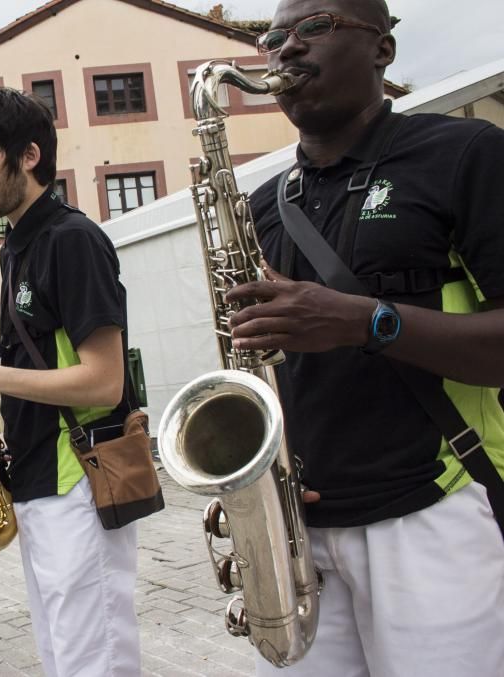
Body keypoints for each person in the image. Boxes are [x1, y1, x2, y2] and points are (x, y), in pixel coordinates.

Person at [224, 1, 504, 675]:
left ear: (382, 49)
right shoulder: (259, 206)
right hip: (300, 532)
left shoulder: (465, 154)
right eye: (272, 38)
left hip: (433, 513)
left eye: (312, 27)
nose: (285, 49)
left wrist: (364, 321)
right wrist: (246, 489)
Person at [0, 87, 141, 676]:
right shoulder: (16, 245)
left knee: (92, 659)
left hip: (81, 479)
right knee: (61, 657)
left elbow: (103, 382)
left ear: (28, 156)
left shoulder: (72, 240)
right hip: (41, 477)